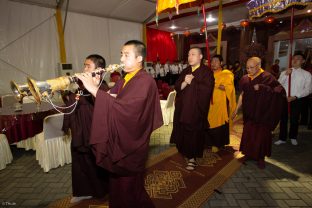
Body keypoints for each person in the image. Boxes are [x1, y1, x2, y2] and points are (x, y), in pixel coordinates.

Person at [76, 40, 163, 208]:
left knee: (129, 190)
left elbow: (128, 112)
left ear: (139, 58)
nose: (122, 59)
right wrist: (94, 85)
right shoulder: (126, 79)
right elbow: (110, 99)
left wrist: (93, 90)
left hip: (131, 145)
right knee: (120, 189)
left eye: (126, 55)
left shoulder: (144, 81)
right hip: (121, 141)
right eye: (121, 54)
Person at [62, 54, 110, 204]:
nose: (84, 69)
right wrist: (68, 91)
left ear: (99, 69)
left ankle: (100, 190)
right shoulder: (81, 85)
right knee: (79, 163)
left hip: (92, 132)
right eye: (84, 65)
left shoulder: (101, 86)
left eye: (88, 66)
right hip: (79, 131)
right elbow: (74, 102)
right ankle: (82, 191)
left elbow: (102, 107)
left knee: (93, 162)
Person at [232, 57, 286, 169]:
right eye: (247, 67)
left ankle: (261, 158)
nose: (248, 70)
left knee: (261, 136)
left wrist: (263, 88)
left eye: (251, 67)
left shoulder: (267, 77)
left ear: (259, 66)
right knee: (248, 134)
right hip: (249, 113)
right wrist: (236, 110)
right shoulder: (245, 79)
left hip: (263, 114)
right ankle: (248, 154)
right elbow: (242, 94)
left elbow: (280, 92)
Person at [170, 47, 214, 171]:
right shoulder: (186, 70)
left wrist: (193, 82)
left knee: (193, 133)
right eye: (189, 54)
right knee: (183, 131)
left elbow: (207, 90)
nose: (190, 57)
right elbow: (178, 87)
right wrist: (185, 82)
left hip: (195, 109)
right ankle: (185, 151)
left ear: (200, 57)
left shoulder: (206, 72)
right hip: (183, 108)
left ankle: (192, 158)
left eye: (193, 54)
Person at [275, 52, 312, 146]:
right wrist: (286, 75)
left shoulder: (307, 74)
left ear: (303, 61)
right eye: (293, 58)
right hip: (284, 99)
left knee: (294, 119)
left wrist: (295, 96)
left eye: (298, 58)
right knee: (283, 119)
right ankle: (282, 138)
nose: (295, 60)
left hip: (296, 99)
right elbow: (278, 85)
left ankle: (293, 136)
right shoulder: (285, 72)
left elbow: (308, 89)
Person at [206, 55, 236, 153]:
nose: (213, 63)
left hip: (219, 104)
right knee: (207, 123)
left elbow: (227, 87)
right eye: (212, 61)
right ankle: (208, 143)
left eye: (216, 61)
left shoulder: (226, 74)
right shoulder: (208, 74)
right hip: (208, 104)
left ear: (221, 63)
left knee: (218, 124)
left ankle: (218, 143)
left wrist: (214, 83)